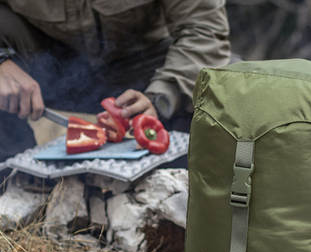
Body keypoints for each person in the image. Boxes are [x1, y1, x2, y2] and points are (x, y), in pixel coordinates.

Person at [0, 0, 231, 166]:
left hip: (145, 68)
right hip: (48, 70)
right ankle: (16, 190)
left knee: (229, 87)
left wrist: (161, 96)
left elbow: (205, 31)